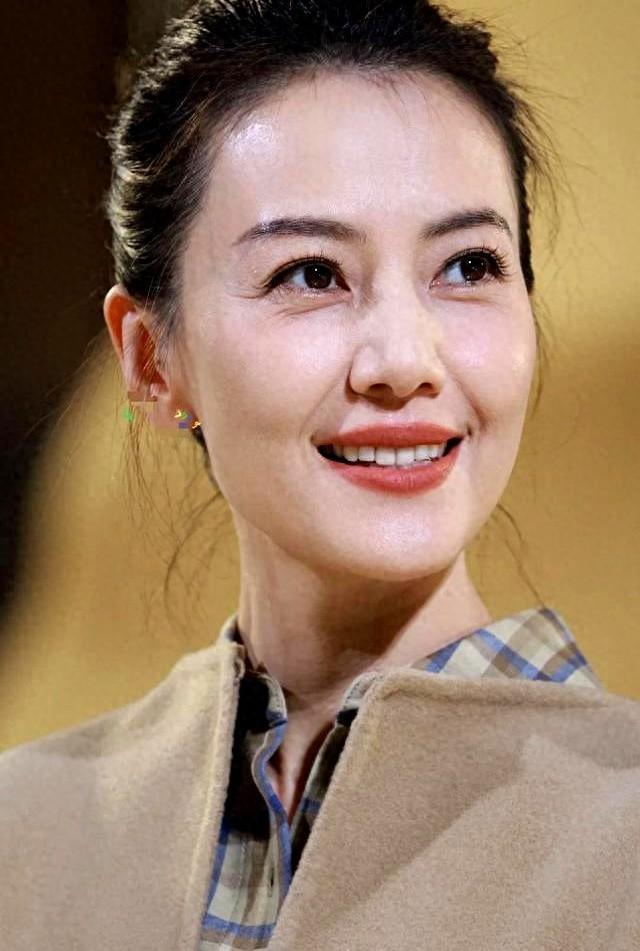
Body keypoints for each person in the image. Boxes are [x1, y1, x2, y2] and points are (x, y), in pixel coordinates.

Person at [2, 1, 640, 949]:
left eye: (469, 265)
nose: (404, 360)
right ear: (150, 361)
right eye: (310, 273)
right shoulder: (26, 837)